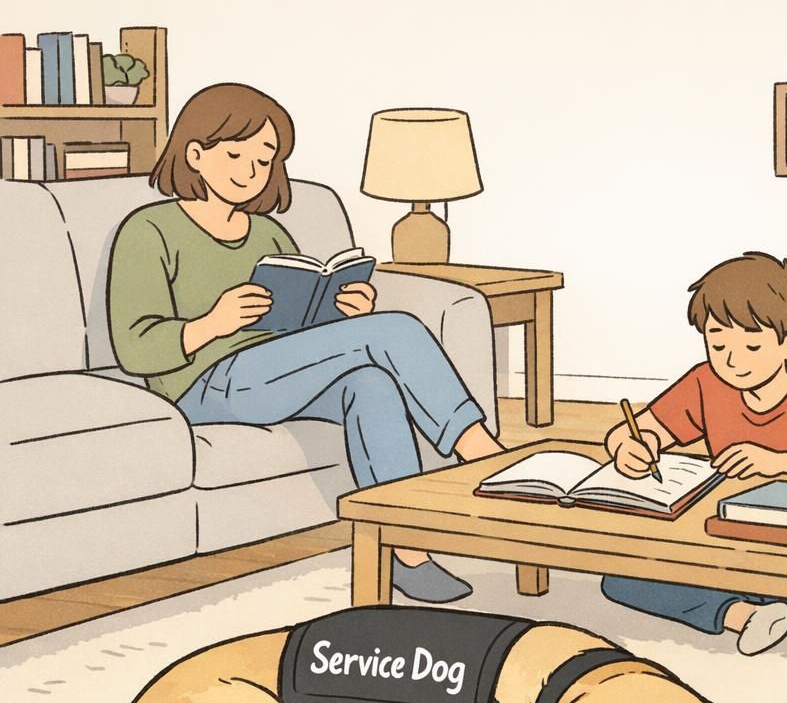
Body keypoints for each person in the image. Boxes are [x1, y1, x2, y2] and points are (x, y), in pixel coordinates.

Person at [108, 83, 502, 603]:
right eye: (236, 153)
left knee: (371, 383)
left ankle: (404, 551)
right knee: (394, 329)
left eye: (266, 159)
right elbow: (133, 346)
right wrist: (212, 322)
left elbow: (297, 335)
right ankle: (486, 460)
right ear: (195, 154)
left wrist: (340, 317)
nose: (252, 170)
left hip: (270, 376)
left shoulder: (269, 235)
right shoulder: (150, 229)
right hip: (201, 385)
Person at [602, 252, 787, 655]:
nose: (732, 360)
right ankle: (743, 615)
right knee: (620, 578)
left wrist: (776, 461)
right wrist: (629, 444)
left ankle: (755, 604)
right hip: (728, 540)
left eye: (752, 345)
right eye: (717, 344)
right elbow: (641, 427)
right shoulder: (705, 383)